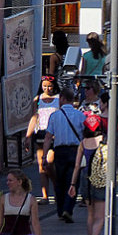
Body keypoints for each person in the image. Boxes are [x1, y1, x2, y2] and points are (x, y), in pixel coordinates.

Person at [42, 87, 84, 223]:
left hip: (59, 152)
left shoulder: (55, 116)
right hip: (75, 151)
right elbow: (85, 135)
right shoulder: (80, 116)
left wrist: (44, 157)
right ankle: (68, 208)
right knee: (73, 181)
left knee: (59, 181)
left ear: (62, 99)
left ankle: (60, 210)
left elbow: (48, 137)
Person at [68, 112, 106, 235]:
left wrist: (73, 184)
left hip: (86, 177)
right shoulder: (104, 141)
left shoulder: (83, 143)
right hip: (100, 178)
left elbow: (77, 166)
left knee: (90, 214)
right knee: (100, 216)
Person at [26, 75, 58, 205]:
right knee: (41, 166)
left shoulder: (58, 99)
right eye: (44, 86)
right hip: (40, 133)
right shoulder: (38, 99)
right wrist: (28, 136)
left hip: (54, 135)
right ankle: (45, 196)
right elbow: (34, 117)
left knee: (50, 163)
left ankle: (57, 189)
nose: (47, 88)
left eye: (49, 86)